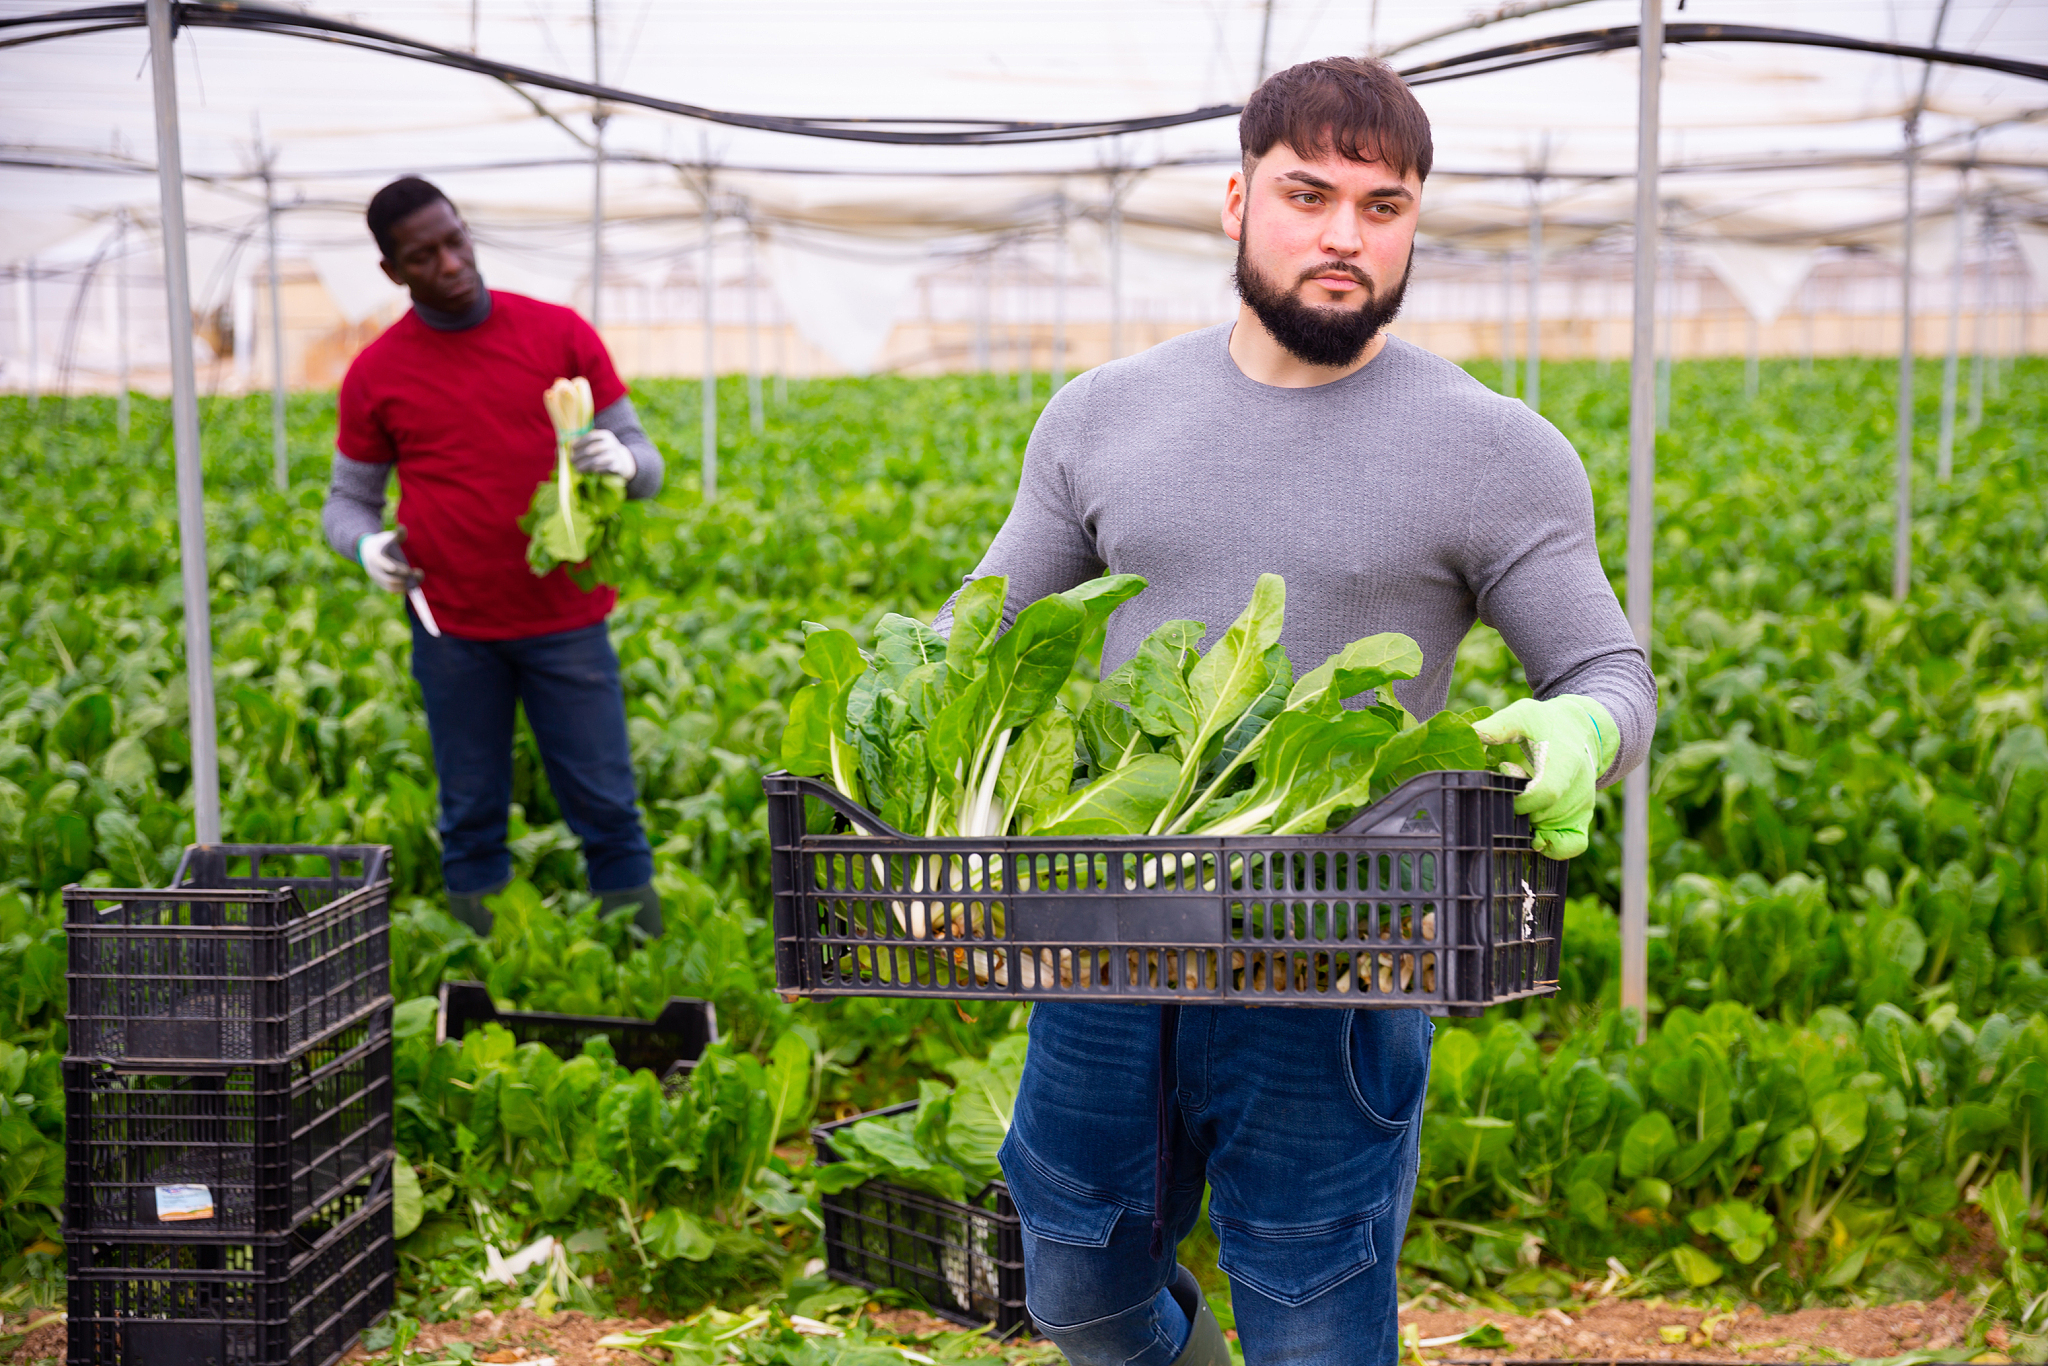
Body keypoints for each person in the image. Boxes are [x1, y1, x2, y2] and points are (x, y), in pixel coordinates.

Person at [934, 59, 1656, 1366]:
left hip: (1337, 956)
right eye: (1307, 195)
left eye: (1383, 206)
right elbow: (975, 632)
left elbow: (1607, 669)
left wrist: (1584, 732)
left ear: (1414, 220)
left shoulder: (1494, 448)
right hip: (1107, 937)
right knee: (1076, 1286)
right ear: (1237, 200)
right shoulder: (1100, 416)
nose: (1343, 236)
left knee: (1313, 1319)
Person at [322, 176, 667, 937]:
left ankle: (642, 958)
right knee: (471, 810)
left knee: (608, 805)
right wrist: (366, 545)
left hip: (566, 619)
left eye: (455, 240)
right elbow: (346, 502)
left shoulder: (558, 334)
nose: (450, 263)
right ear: (392, 271)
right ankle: (481, 960)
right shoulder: (377, 373)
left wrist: (626, 463)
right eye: (424, 256)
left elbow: (647, 463)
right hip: (451, 628)